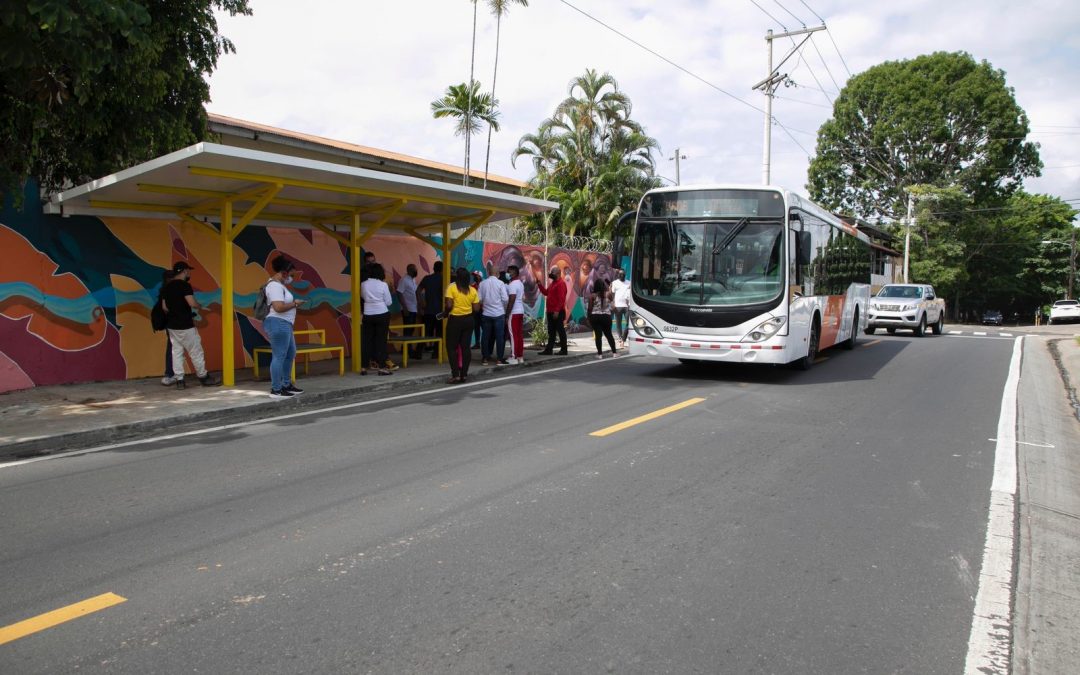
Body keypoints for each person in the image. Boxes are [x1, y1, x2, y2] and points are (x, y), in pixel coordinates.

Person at [162, 261, 220, 388]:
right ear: (184, 271)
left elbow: (165, 307)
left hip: (172, 325)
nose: (189, 273)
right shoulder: (185, 286)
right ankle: (203, 377)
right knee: (195, 351)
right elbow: (192, 303)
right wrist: (200, 306)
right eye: (188, 271)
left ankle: (180, 380)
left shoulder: (167, 287)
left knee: (176, 352)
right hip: (186, 324)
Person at [264, 256, 306, 398]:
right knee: (279, 356)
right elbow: (278, 307)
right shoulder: (274, 286)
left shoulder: (280, 285)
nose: (292, 278)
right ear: (285, 272)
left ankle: (286, 384)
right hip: (278, 323)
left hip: (285, 324)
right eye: (291, 275)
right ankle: (276, 389)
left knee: (289, 354)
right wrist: (295, 303)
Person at [443, 267, 480, 383]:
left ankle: (455, 375)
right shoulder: (472, 290)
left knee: (451, 347)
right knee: (465, 348)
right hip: (468, 320)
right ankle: (464, 374)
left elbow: (449, 305)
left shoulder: (452, 287)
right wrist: (469, 315)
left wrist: (445, 313)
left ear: (457, 277)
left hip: (455, 320)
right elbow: (477, 308)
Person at [361, 263, 394, 376]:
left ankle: (364, 367)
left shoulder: (363, 284)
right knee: (381, 341)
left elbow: (363, 297)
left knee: (366, 341)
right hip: (382, 314)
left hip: (367, 314)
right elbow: (389, 302)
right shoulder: (383, 285)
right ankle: (382, 368)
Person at [477, 265, 509, 365]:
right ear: (497, 274)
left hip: (486, 313)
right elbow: (505, 299)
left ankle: (485, 358)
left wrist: (486, 304)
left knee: (485, 336)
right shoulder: (501, 283)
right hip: (499, 314)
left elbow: (479, 299)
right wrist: (502, 308)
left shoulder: (482, 284)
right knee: (500, 337)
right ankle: (499, 359)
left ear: (489, 273)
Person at [537, 267, 568, 355]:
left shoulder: (561, 284)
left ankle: (564, 350)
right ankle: (549, 349)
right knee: (551, 331)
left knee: (560, 330)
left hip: (557, 311)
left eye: (552, 272)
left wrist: (557, 311)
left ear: (558, 273)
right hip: (551, 311)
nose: (550, 274)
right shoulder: (553, 283)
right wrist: (539, 284)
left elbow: (561, 299)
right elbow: (546, 292)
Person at [418, 261, 445, 358]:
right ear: (443, 269)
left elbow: (418, 290)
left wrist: (421, 302)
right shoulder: (444, 279)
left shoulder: (427, 278)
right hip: (440, 311)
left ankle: (418, 352)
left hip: (428, 310)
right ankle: (436, 353)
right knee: (439, 332)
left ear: (433, 268)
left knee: (425, 332)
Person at [587, 278, 618, 359]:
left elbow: (590, 308)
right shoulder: (608, 294)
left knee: (598, 336)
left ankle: (600, 354)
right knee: (609, 335)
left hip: (595, 317)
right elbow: (613, 306)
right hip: (606, 317)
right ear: (604, 286)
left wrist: (588, 318)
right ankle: (614, 353)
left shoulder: (592, 296)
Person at [396, 263, 421, 360]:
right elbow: (399, 292)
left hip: (413, 308)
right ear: (409, 270)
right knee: (408, 330)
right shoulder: (404, 280)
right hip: (408, 309)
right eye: (414, 270)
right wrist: (405, 307)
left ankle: (405, 348)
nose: (416, 271)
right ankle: (408, 351)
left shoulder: (412, 279)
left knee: (411, 330)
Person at [158, 269, 178, 386]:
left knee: (173, 348)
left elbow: (164, 308)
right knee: (176, 348)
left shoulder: (164, 290)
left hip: (170, 323)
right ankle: (171, 374)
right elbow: (166, 308)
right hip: (176, 323)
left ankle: (171, 374)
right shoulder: (172, 290)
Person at [505, 265, 526, 364]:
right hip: (520, 311)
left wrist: (507, 314)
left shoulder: (512, 284)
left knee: (513, 335)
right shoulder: (520, 283)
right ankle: (520, 356)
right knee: (519, 335)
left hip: (514, 313)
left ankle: (514, 356)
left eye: (509, 272)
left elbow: (511, 300)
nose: (507, 273)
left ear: (514, 273)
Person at [610, 268, 631, 347]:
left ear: (625, 275)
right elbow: (612, 294)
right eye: (620, 274)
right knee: (618, 323)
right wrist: (613, 303)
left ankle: (624, 338)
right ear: (618, 275)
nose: (622, 275)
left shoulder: (629, 283)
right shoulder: (614, 283)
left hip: (627, 306)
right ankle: (620, 338)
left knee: (629, 323)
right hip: (618, 306)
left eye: (623, 274)